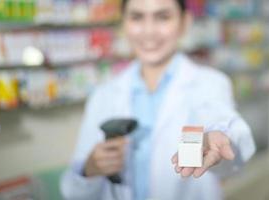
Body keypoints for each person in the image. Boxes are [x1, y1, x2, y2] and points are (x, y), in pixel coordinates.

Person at [60, 0, 256, 199]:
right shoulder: (104, 95)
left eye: (163, 17)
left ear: (185, 23)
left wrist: (218, 142)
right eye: (137, 17)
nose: (149, 31)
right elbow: (72, 192)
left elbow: (231, 148)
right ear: (123, 24)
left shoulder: (209, 84)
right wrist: (89, 170)